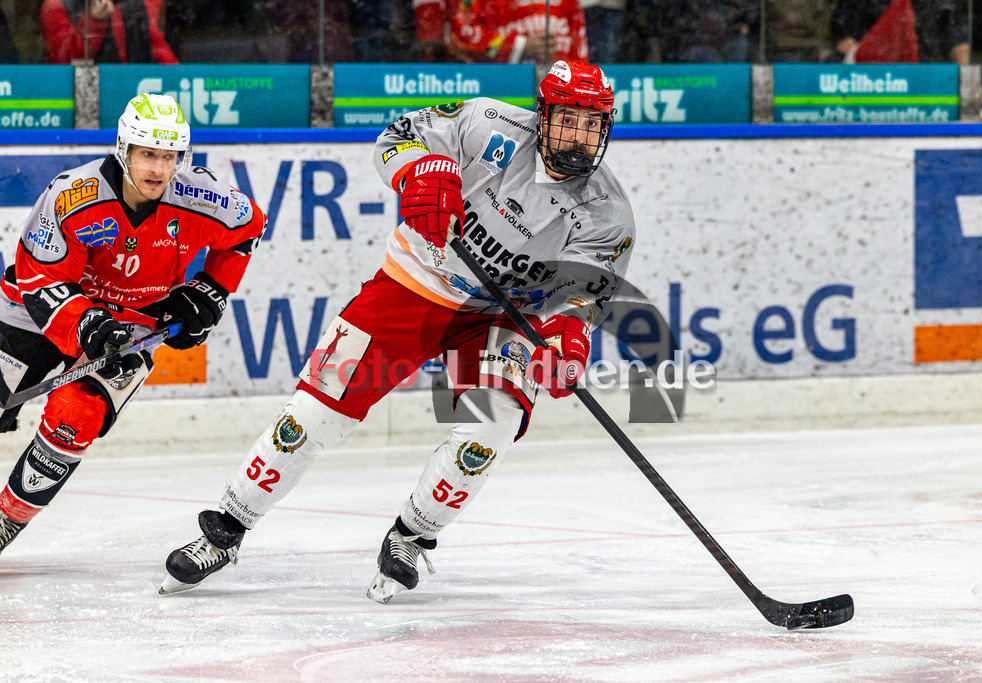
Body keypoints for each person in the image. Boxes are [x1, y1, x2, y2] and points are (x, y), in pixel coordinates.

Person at [160, 60, 636, 603]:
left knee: (490, 431)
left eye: (592, 124)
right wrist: (419, 173)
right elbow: (398, 136)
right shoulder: (486, 124)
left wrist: (567, 338)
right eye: (568, 120)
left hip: (503, 319)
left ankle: (412, 535)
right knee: (311, 413)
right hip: (414, 284)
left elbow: (581, 294)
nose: (579, 138)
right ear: (544, 113)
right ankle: (224, 530)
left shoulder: (607, 215)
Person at [0, 94, 266, 555]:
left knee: (75, 419)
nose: (158, 169)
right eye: (148, 153)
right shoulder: (72, 195)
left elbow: (248, 229)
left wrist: (211, 291)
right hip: (34, 310)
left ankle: (5, 521)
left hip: (132, 327)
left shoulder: (203, 198)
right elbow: (37, 275)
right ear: (123, 149)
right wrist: (86, 324)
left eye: (169, 157)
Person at [448, 0, 588, 66]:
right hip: (504, 87)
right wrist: (520, 44)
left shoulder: (569, 3)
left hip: (556, 90)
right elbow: (463, 37)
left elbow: (579, 57)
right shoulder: (484, 2)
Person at [831, 0, 969, 65]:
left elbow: (956, 39)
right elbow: (843, 37)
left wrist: (966, 80)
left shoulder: (939, 6)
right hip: (874, 77)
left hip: (926, 78)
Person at [41, 0, 178, 64]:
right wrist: (95, 23)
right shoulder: (58, 6)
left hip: (131, 88)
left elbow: (160, 53)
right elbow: (64, 62)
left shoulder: (138, 6)